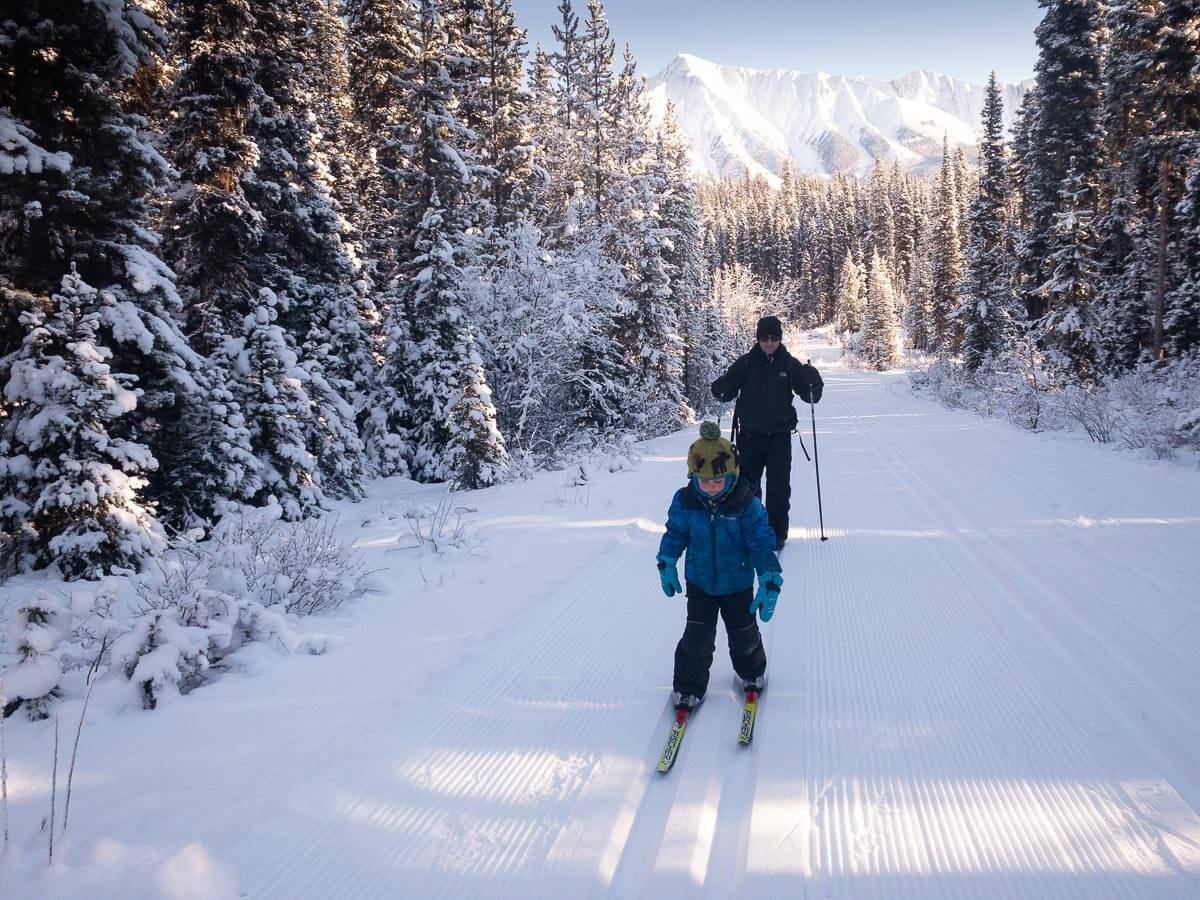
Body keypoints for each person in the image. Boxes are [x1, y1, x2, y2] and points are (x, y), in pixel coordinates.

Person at [655, 421, 783, 711]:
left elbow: (761, 543)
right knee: (696, 638)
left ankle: (752, 673)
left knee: (743, 634)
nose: (711, 487)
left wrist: (769, 575)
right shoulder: (686, 501)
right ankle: (688, 687)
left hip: (737, 582)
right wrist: (667, 561)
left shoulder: (746, 505)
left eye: (718, 481)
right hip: (699, 582)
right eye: (704, 481)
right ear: (693, 476)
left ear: (732, 474)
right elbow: (675, 532)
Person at [711, 315, 823, 552]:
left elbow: (810, 395)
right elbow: (725, 390)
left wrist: (814, 382)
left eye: (773, 338)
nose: (769, 342)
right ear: (758, 338)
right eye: (764, 338)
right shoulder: (745, 363)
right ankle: (751, 530)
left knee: (778, 488)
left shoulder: (790, 365)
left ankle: (776, 534)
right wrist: (720, 388)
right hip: (749, 437)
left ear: (780, 339)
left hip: (779, 438)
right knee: (747, 488)